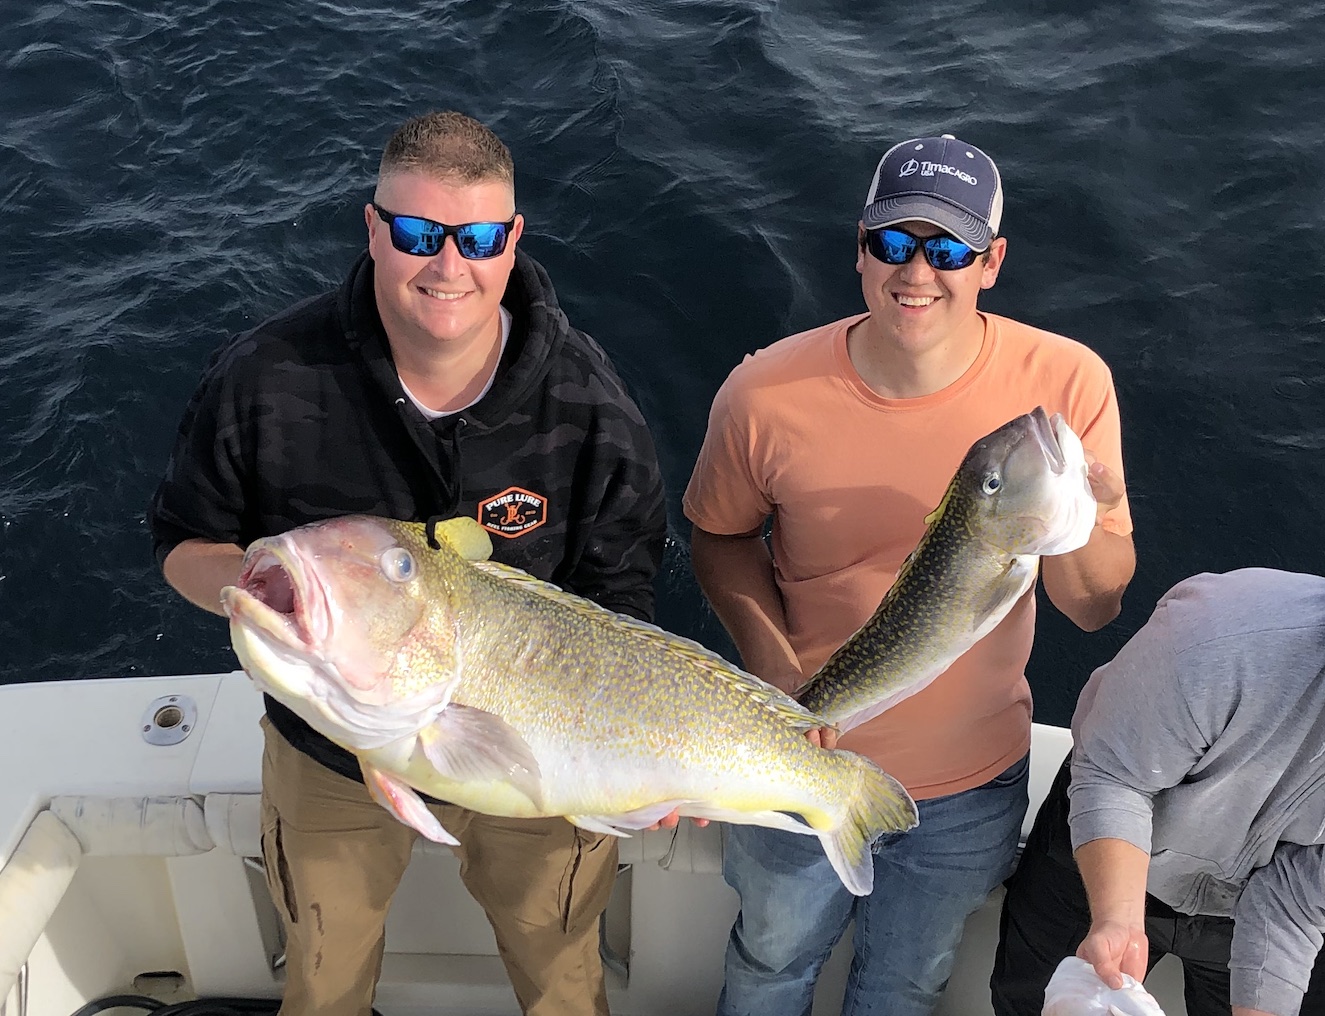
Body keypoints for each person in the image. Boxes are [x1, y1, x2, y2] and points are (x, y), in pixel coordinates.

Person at [148, 111, 667, 1016]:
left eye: (475, 238)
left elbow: (621, 602)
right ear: (373, 229)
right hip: (330, 748)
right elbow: (184, 543)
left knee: (561, 977)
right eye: (419, 234)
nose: (447, 266)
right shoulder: (266, 377)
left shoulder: (592, 410)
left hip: (532, 751)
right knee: (323, 978)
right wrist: (247, 592)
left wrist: (645, 761)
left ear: (511, 242)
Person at [682, 133, 1136, 1016]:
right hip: (798, 765)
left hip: (969, 789)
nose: (916, 272)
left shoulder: (1066, 383)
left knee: (906, 984)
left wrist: (1078, 513)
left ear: (991, 261)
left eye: (948, 250)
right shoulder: (760, 393)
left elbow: (1091, 607)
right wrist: (775, 671)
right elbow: (717, 539)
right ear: (859, 249)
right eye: (893, 244)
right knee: (769, 964)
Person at [991, 569, 1325, 1016]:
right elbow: (1115, 778)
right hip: (1104, 855)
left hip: (1238, 917)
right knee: (1033, 1002)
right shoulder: (1218, 634)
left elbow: (1298, 896)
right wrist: (1117, 920)